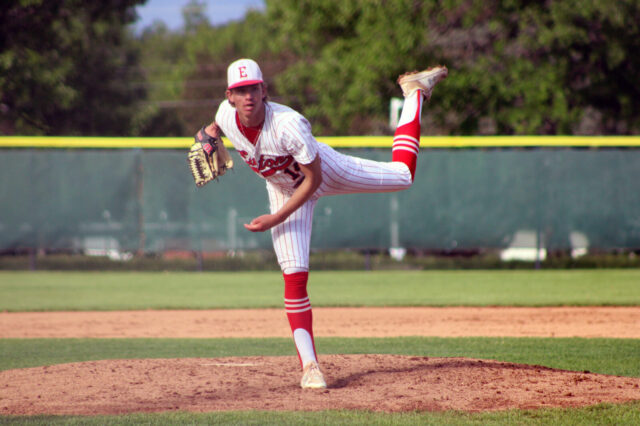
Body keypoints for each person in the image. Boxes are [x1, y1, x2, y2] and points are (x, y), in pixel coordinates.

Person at [205, 58, 447, 389]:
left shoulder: (289, 125)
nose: (247, 96)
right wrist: (208, 134)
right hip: (280, 188)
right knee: (293, 275)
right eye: (240, 90)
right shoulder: (223, 114)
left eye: (253, 89)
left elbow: (313, 179)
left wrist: (276, 218)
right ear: (230, 96)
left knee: (403, 176)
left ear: (264, 91)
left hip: (322, 172)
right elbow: (217, 124)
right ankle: (310, 367)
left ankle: (414, 94)